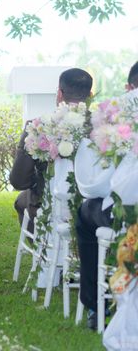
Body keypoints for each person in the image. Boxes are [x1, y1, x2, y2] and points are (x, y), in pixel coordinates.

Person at [76, 61, 138, 330]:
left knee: (85, 211)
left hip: (129, 214)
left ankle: (95, 305)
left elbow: (97, 184)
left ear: (130, 87)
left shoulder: (121, 111)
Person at [10, 68, 93, 232]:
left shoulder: (37, 127)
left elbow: (19, 180)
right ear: (90, 96)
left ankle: (41, 249)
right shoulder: (104, 128)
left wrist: (39, 181)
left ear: (60, 94)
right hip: (91, 208)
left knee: (22, 200)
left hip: (45, 207)